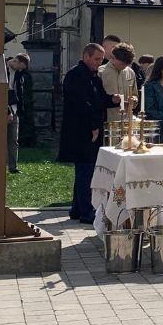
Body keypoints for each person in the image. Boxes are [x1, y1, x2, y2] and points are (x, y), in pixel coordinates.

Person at [57, 43, 118, 224]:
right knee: (86, 171)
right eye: (97, 59)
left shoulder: (94, 76)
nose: (99, 63)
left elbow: (98, 99)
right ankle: (86, 211)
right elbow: (81, 104)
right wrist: (93, 126)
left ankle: (76, 208)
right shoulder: (75, 75)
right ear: (86, 56)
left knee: (84, 170)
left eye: (101, 59)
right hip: (80, 131)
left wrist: (113, 99)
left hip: (90, 129)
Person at [99, 43, 137, 125]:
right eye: (122, 64)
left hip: (127, 121)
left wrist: (134, 99)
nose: (124, 67)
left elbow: (135, 94)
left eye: (127, 64)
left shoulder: (130, 72)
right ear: (113, 58)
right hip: (107, 121)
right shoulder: (101, 72)